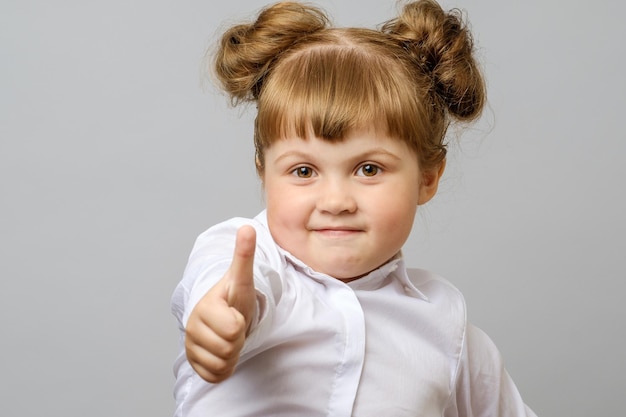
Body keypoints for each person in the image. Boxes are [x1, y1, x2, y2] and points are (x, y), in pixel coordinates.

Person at [171, 1, 537, 416]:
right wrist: (221, 315)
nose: (336, 202)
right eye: (304, 170)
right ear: (263, 172)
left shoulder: (446, 328)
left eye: (368, 168)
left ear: (428, 178)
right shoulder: (245, 258)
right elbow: (231, 285)